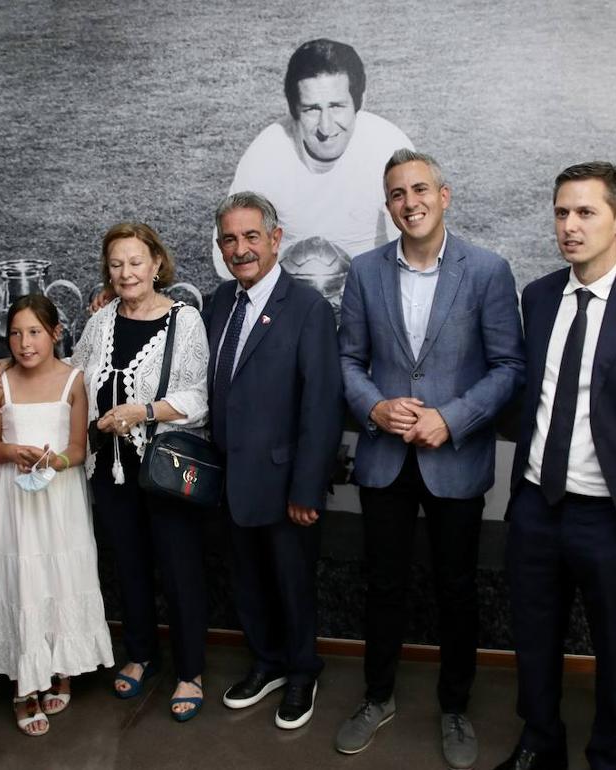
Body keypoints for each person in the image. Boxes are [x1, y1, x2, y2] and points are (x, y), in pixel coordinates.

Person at [492, 162, 616, 770]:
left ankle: (610, 756)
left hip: (611, 517)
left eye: (586, 212)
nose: (570, 226)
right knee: (533, 636)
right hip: (535, 504)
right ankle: (540, 742)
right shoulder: (538, 296)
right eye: (561, 212)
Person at [336, 149, 524, 768]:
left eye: (420, 189)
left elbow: (508, 368)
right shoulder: (363, 272)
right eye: (396, 193)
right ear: (388, 205)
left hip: (456, 459)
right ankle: (377, 696)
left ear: (445, 196)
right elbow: (349, 362)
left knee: (456, 589)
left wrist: (453, 418)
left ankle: (455, 707)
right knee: (383, 584)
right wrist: (374, 408)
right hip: (385, 459)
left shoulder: (488, 271)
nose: (409, 202)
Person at [206, 192, 342, 730]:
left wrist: (307, 489)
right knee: (247, 581)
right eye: (230, 240)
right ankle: (267, 663)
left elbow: (322, 405)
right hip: (230, 479)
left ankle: (302, 671)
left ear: (275, 239)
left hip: (286, 483)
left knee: (292, 583)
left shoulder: (306, 307)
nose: (241, 249)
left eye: (251, 237)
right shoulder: (217, 302)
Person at [73, 223, 210, 721]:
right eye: (116, 264)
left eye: (135, 262)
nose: (126, 272)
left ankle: (190, 670)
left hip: (166, 469)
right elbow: (72, 375)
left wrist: (142, 412)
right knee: (128, 565)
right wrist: (8, 370)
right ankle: (141, 654)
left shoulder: (185, 320)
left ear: (156, 264)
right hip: (108, 470)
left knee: (179, 570)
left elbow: (198, 397)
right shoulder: (101, 322)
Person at [0, 295, 114, 736]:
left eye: (34, 331)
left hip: (60, 497)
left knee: (61, 576)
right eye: (15, 333)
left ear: (55, 333)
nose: (23, 342)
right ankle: (24, 685)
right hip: (15, 499)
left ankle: (63, 668)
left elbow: (78, 448)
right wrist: (14, 451)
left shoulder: (74, 380)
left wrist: (54, 463)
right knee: (24, 580)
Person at [212, 38, 414, 292]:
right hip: (290, 299)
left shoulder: (390, 149)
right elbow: (229, 255)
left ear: (360, 100)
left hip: (371, 292)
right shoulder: (266, 155)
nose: (326, 128)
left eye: (337, 106)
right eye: (311, 109)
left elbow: (419, 246)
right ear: (293, 108)